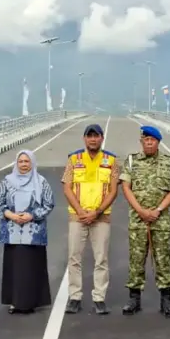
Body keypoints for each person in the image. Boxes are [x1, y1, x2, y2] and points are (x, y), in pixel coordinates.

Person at [120, 125, 170, 318]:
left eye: (152, 140)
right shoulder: (131, 160)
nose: (148, 142)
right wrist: (141, 211)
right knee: (136, 260)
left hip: (160, 220)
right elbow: (126, 187)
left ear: (158, 142)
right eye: (145, 139)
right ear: (141, 141)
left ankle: (166, 302)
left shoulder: (169, 162)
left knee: (163, 259)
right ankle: (134, 299)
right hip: (138, 220)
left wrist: (157, 210)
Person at [62, 123, 119, 315]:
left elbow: (113, 190)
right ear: (84, 139)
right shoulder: (73, 159)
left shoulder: (111, 160)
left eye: (96, 136)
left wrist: (97, 211)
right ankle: (75, 297)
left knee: (101, 258)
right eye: (89, 136)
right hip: (77, 216)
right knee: (74, 258)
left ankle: (99, 297)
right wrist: (80, 211)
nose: (93, 139)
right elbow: (67, 187)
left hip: (101, 217)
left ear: (102, 138)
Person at [0, 150, 55, 314]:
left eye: (27, 161)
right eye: (20, 161)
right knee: (14, 268)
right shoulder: (7, 182)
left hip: (33, 232)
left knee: (31, 267)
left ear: (32, 163)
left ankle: (31, 302)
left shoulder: (41, 182)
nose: (23, 164)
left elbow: (49, 204)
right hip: (12, 231)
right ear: (16, 163)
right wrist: (11, 215)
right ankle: (15, 302)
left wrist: (31, 216)